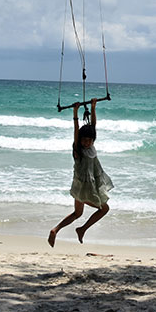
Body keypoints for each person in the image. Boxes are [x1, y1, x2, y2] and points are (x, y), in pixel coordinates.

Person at [48, 97, 113, 246]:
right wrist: (75, 113)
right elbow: (76, 133)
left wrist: (93, 107)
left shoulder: (91, 147)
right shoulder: (78, 151)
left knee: (77, 213)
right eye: (84, 140)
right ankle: (82, 229)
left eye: (89, 140)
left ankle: (55, 230)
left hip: (80, 187)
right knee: (104, 209)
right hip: (85, 189)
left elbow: (93, 127)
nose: (87, 142)